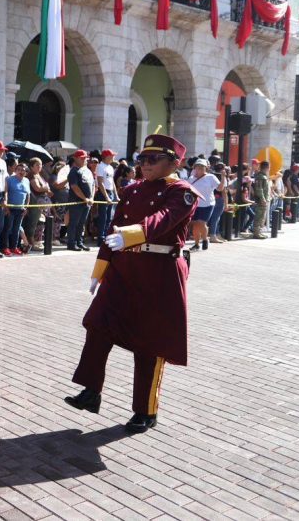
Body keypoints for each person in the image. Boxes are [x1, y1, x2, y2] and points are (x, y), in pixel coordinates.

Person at [64, 134, 198, 434]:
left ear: (173, 163)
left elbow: (163, 220)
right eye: (142, 158)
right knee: (98, 324)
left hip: (159, 272)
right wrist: (100, 267)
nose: (145, 164)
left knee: (150, 343)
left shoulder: (182, 193)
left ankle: (145, 410)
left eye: (154, 159)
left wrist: (133, 234)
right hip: (124, 268)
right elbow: (113, 229)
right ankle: (91, 391)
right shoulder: (132, 189)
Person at [186, 159, 218, 251]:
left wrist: (223, 177)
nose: (199, 168)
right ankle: (196, 244)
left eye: (202, 167)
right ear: (194, 168)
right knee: (196, 225)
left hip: (208, 204)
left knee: (201, 223)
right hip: (195, 205)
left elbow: (220, 188)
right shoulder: (191, 179)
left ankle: (204, 239)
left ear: (206, 168)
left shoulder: (211, 177)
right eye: (197, 166)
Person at [66, 150, 94, 251]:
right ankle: (71, 243)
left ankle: (79, 242)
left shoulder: (87, 171)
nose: (84, 160)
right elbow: (74, 187)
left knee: (82, 223)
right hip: (77, 202)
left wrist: (91, 198)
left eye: (85, 158)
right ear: (75, 159)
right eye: (82, 158)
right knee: (74, 223)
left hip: (86, 203)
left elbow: (93, 185)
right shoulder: (74, 171)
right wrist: (85, 198)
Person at [4, 162, 30, 255]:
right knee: (8, 228)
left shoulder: (27, 181)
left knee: (16, 229)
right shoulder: (9, 179)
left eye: (23, 170)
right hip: (10, 208)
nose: (21, 171)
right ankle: (5, 247)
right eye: (19, 169)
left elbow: (28, 195)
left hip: (21, 209)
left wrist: (26, 207)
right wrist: (6, 206)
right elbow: (6, 192)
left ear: (26, 172)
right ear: (15, 171)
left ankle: (14, 247)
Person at [95, 149, 118, 246]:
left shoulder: (110, 167)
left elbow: (112, 182)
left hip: (110, 193)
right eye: (112, 156)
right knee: (103, 217)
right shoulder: (100, 167)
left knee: (109, 217)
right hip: (103, 193)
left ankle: (106, 236)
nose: (113, 157)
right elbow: (100, 182)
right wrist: (107, 196)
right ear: (107, 156)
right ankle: (101, 237)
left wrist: (116, 195)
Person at [251, 160, 270, 239]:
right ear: (267, 167)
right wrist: (262, 199)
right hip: (261, 200)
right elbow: (259, 189)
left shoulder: (263, 176)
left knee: (262, 217)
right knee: (259, 216)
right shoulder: (260, 176)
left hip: (264, 199)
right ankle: (256, 232)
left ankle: (259, 231)